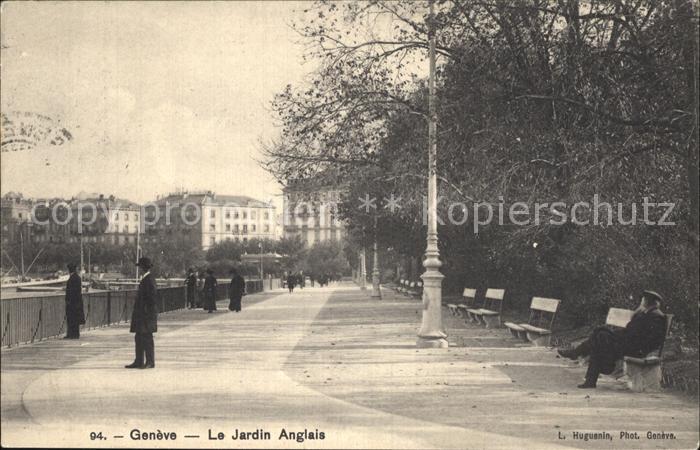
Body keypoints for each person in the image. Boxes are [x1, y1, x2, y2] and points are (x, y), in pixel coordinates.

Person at [557, 290, 667, 388]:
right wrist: (619, 335)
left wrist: (621, 337)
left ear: (648, 301)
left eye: (643, 299)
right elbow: (631, 330)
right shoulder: (645, 313)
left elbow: (649, 340)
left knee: (600, 337)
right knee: (600, 334)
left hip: (637, 349)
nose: (641, 302)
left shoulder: (656, 316)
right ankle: (591, 373)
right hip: (629, 343)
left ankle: (583, 361)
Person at [125, 257, 158, 369]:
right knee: (139, 337)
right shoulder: (147, 279)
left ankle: (149, 361)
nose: (139, 269)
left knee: (147, 337)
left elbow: (152, 298)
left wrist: (146, 311)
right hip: (143, 314)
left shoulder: (148, 279)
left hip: (146, 315)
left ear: (143, 267)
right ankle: (139, 360)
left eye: (140, 267)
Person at [64, 263, 85, 339]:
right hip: (77, 302)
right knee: (75, 319)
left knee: (71, 318)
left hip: (72, 302)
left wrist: (68, 300)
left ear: (69, 270)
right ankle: (75, 334)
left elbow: (71, 291)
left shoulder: (72, 278)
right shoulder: (78, 278)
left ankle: (71, 334)